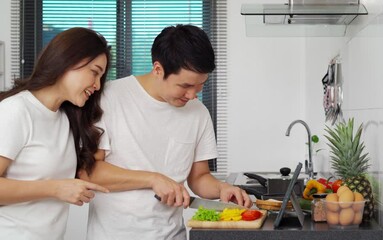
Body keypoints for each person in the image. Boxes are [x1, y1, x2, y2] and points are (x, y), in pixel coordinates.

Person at [79, 24, 252, 240]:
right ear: (158, 69)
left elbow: (199, 177)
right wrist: (153, 179)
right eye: (185, 85)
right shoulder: (109, 98)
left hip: (172, 235)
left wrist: (221, 189)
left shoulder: (198, 112)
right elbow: (89, 171)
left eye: (200, 86)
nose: (192, 95)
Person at [0, 27, 111, 240]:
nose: (97, 85)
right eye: (94, 72)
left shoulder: (67, 118)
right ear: (68, 61)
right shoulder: (16, 110)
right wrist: (55, 188)